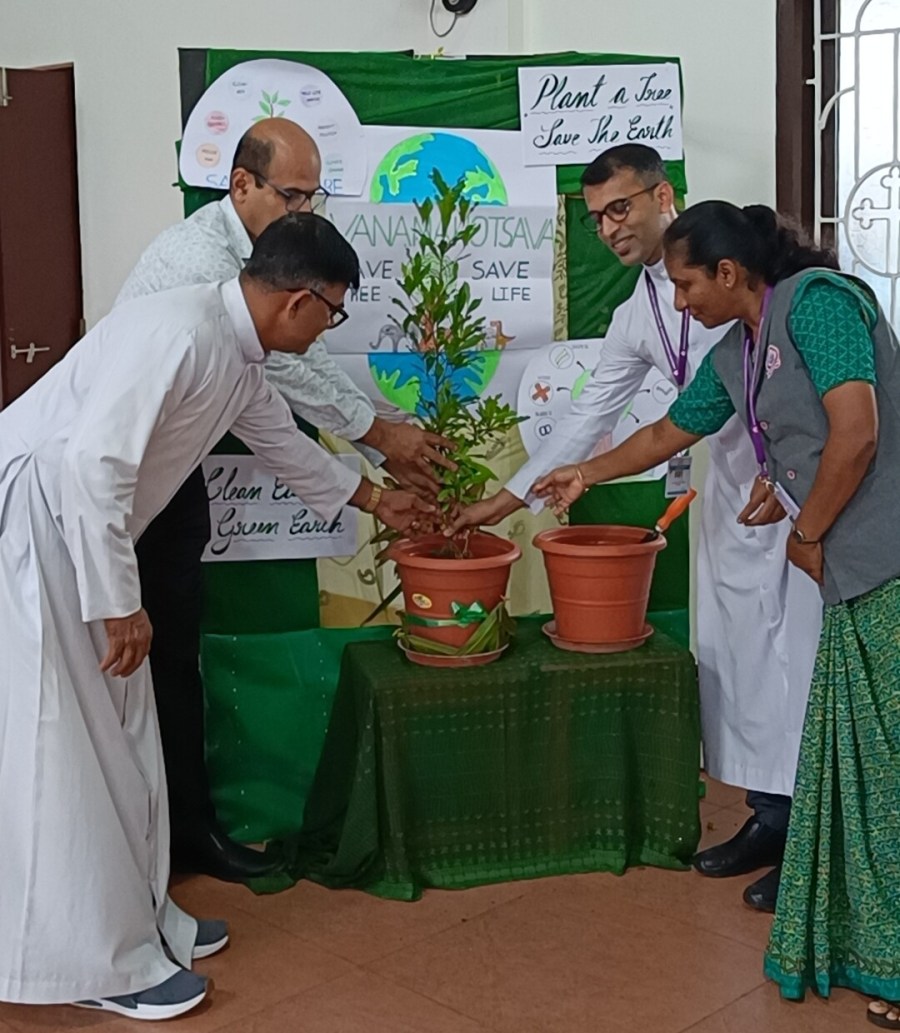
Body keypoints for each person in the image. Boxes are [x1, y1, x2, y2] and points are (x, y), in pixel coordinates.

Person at [0, 212, 432, 1020]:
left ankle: (139, 918)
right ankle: (90, 961)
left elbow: (281, 444)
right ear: (302, 301)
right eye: (334, 312)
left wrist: (378, 499)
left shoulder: (229, 348)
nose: (328, 329)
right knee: (66, 748)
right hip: (39, 534)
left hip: (78, 537)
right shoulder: (180, 333)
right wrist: (118, 601)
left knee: (128, 738)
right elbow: (96, 463)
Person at [534, 200, 900, 1025]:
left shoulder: (820, 304)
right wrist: (583, 475)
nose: (681, 301)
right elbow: (667, 429)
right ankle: (877, 950)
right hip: (855, 574)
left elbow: (859, 431)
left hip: (886, 564)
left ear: (730, 273)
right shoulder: (740, 353)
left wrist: (807, 530)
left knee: (890, 770)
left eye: (687, 282)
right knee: (874, 769)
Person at [448, 144, 822, 911]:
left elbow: (813, 384)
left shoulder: (742, 266)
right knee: (738, 662)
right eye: (594, 220)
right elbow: (592, 417)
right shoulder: (635, 313)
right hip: (722, 497)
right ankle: (769, 816)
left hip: (793, 492)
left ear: (664, 196)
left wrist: (787, 471)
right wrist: (508, 498)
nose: (609, 228)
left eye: (620, 207)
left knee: (799, 664)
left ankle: (815, 842)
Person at [117, 118, 454, 882]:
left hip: (164, 484)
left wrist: (377, 467)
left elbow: (280, 411)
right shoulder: (197, 273)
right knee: (116, 667)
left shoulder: (262, 296)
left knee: (173, 660)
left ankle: (186, 832)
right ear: (241, 185)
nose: (308, 211)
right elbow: (288, 384)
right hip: (97, 495)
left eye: (316, 195)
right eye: (294, 194)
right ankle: (131, 852)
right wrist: (379, 439)